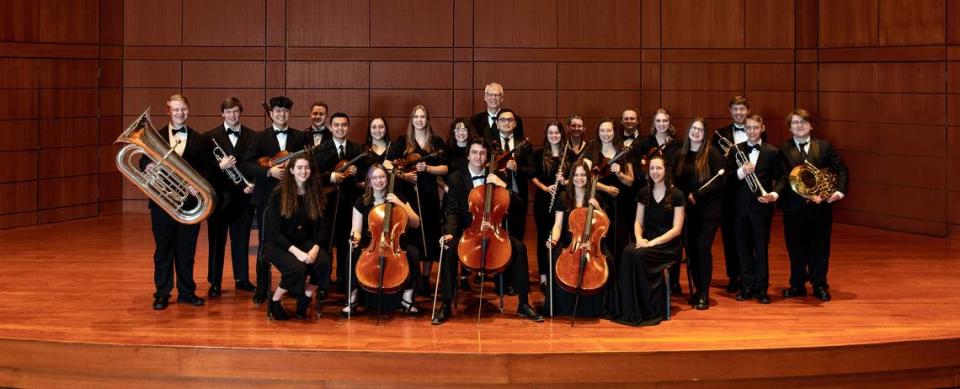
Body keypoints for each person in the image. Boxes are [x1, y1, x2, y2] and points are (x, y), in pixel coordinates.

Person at [431, 138, 544, 325]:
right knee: (449, 248)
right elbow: (452, 211)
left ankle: (523, 304)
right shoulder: (456, 179)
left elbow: (519, 206)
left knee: (519, 248)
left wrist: (503, 185)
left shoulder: (499, 176)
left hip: (494, 231)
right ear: (468, 155)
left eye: (482, 153)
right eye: (474, 152)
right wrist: (450, 231)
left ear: (487, 157)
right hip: (468, 231)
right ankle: (446, 305)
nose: (478, 156)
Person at [240, 96, 311, 305]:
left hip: (294, 200)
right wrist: (268, 172)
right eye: (278, 111)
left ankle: (293, 284)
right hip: (267, 200)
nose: (282, 114)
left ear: (290, 114)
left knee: (295, 242)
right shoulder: (260, 137)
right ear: (271, 113)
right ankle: (262, 289)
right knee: (265, 244)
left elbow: (308, 163)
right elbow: (246, 164)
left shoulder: (299, 137)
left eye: (286, 111)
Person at [144, 94, 208, 310]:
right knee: (163, 250)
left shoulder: (200, 139)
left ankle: (187, 292)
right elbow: (144, 157)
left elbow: (206, 169)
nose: (180, 113)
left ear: (188, 110)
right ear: (168, 111)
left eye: (183, 109)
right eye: (176, 109)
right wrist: (147, 166)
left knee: (186, 250)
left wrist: (197, 184)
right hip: (162, 203)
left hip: (189, 203)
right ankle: (162, 293)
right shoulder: (155, 137)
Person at [778, 109, 849, 302]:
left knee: (820, 247)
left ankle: (819, 284)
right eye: (795, 123)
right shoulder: (783, 149)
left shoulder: (824, 146)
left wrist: (836, 193)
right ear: (790, 128)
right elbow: (783, 178)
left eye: (803, 122)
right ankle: (797, 284)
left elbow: (840, 170)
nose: (799, 126)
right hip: (793, 208)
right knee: (795, 248)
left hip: (820, 208)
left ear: (811, 125)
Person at [609, 154, 685, 326]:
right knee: (628, 252)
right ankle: (628, 308)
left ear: (666, 170)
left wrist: (652, 243)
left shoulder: (677, 194)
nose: (655, 171)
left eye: (659, 168)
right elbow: (638, 221)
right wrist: (639, 238)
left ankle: (647, 309)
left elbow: (677, 230)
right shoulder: (644, 192)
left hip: (668, 245)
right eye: (652, 168)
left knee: (639, 255)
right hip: (647, 240)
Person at [344, 163, 424, 316]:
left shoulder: (398, 197)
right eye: (374, 177)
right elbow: (356, 230)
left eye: (381, 177)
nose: (378, 181)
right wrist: (354, 238)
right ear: (369, 180)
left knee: (413, 253)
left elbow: (416, 222)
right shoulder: (361, 202)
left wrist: (400, 204)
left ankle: (407, 299)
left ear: (387, 179)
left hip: (395, 243)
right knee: (352, 253)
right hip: (370, 243)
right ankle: (352, 298)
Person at [386, 105, 448, 296]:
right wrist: (404, 175)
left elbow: (445, 168)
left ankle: (426, 278)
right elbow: (387, 164)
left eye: (423, 117)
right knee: (411, 235)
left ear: (428, 120)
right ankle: (412, 276)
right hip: (408, 193)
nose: (419, 120)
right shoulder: (403, 141)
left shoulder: (436, 141)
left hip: (428, 193)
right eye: (416, 117)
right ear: (412, 120)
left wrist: (428, 169)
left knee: (429, 232)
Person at [263, 155, 332, 320]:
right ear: (292, 170)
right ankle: (274, 301)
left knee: (323, 261)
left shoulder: (315, 193)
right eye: (299, 168)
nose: (304, 171)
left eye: (307, 167)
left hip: (303, 241)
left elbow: (323, 227)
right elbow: (275, 233)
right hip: (278, 244)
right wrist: (298, 253)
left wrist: (315, 248)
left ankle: (305, 298)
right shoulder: (279, 193)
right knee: (297, 268)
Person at [544, 159, 612, 317]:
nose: (580, 178)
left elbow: (606, 226)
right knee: (555, 259)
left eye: (583, 175)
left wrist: (599, 208)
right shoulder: (563, 197)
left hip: (593, 244)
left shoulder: (597, 198)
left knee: (610, 262)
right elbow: (558, 225)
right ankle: (562, 308)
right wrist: (553, 240)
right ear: (571, 176)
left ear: (588, 178)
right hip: (570, 243)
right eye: (576, 175)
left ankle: (594, 309)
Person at [670, 117, 725, 310]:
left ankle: (703, 293)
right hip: (686, 210)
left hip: (708, 211)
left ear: (705, 133)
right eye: (693, 128)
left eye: (700, 129)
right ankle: (696, 290)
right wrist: (683, 198)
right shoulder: (680, 154)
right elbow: (673, 181)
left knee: (702, 248)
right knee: (691, 250)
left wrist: (698, 195)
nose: (696, 132)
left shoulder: (712, 153)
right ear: (688, 131)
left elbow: (719, 180)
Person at [204, 97, 256, 299]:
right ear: (222, 114)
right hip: (219, 199)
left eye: (236, 111)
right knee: (216, 242)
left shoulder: (252, 136)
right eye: (229, 112)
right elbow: (205, 170)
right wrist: (220, 166)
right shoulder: (210, 137)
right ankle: (214, 282)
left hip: (243, 198)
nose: (233, 115)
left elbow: (254, 163)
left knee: (241, 241)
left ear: (240, 113)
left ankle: (242, 279)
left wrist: (252, 183)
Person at [729, 114, 781, 304]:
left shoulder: (772, 152)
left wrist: (773, 195)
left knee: (761, 250)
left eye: (755, 127)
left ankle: (762, 289)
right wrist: (741, 172)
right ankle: (746, 286)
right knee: (743, 249)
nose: (751, 131)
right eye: (748, 128)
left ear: (762, 128)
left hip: (761, 209)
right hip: (740, 209)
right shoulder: (736, 151)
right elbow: (728, 179)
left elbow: (781, 178)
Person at [313, 112, 364, 295]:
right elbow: (313, 175)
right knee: (326, 243)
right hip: (327, 205)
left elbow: (366, 177)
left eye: (344, 125)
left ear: (348, 127)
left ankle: (344, 280)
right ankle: (323, 282)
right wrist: (331, 177)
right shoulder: (320, 149)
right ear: (330, 127)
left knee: (345, 243)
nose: (340, 128)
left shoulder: (357, 149)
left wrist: (356, 172)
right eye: (337, 125)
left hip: (349, 204)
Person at [636, 108, 682, 293]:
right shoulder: (645, 143)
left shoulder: (676, 144)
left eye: (665, 121)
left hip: (670, 193)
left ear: (669, 124)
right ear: (653, 123)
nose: (662, 124)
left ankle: (673, 283)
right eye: (658, 121)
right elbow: (638, 165)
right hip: (651, 190)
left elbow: (678, 168)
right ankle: (648, 285)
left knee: (675, 232)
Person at [714, 95, 750, 294]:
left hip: (750, 192)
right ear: (730, 110)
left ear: (748, 110)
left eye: (742, 109)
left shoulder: (757, 130)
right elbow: (715, 163)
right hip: (729, 192)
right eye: (735, 109)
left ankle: (749, 274)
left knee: (749, 236)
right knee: (730, 236)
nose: (738, 113)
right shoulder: (720, 134)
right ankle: (734, 276)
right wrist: (727, 157)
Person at [590, 119, 635, 260]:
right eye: (602, 130)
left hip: (620, 204)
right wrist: (606, 189)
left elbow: (630, 181)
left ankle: (619, 278)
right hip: (599, 202)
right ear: (598, 133)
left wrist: (619, 174)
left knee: (619, 239)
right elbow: (585, 179)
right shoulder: (592, 151)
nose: (605, 133)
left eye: (608, 130)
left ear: (614, 132)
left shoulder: (623, 152)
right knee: (601, 238)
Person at [531, 120, 568, 291]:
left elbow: (578, 178)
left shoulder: (568, 155)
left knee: (559, 238)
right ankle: (544, 277)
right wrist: (544, 187)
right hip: (543, 201)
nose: (554, 136)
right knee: (543, 240)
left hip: (562, 202)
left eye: (557, 133)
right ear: (547, 135)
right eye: (551, 133)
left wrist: (565, 181)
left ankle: (559, 274)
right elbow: (532, 175)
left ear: (561, 135)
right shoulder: (539, 154)